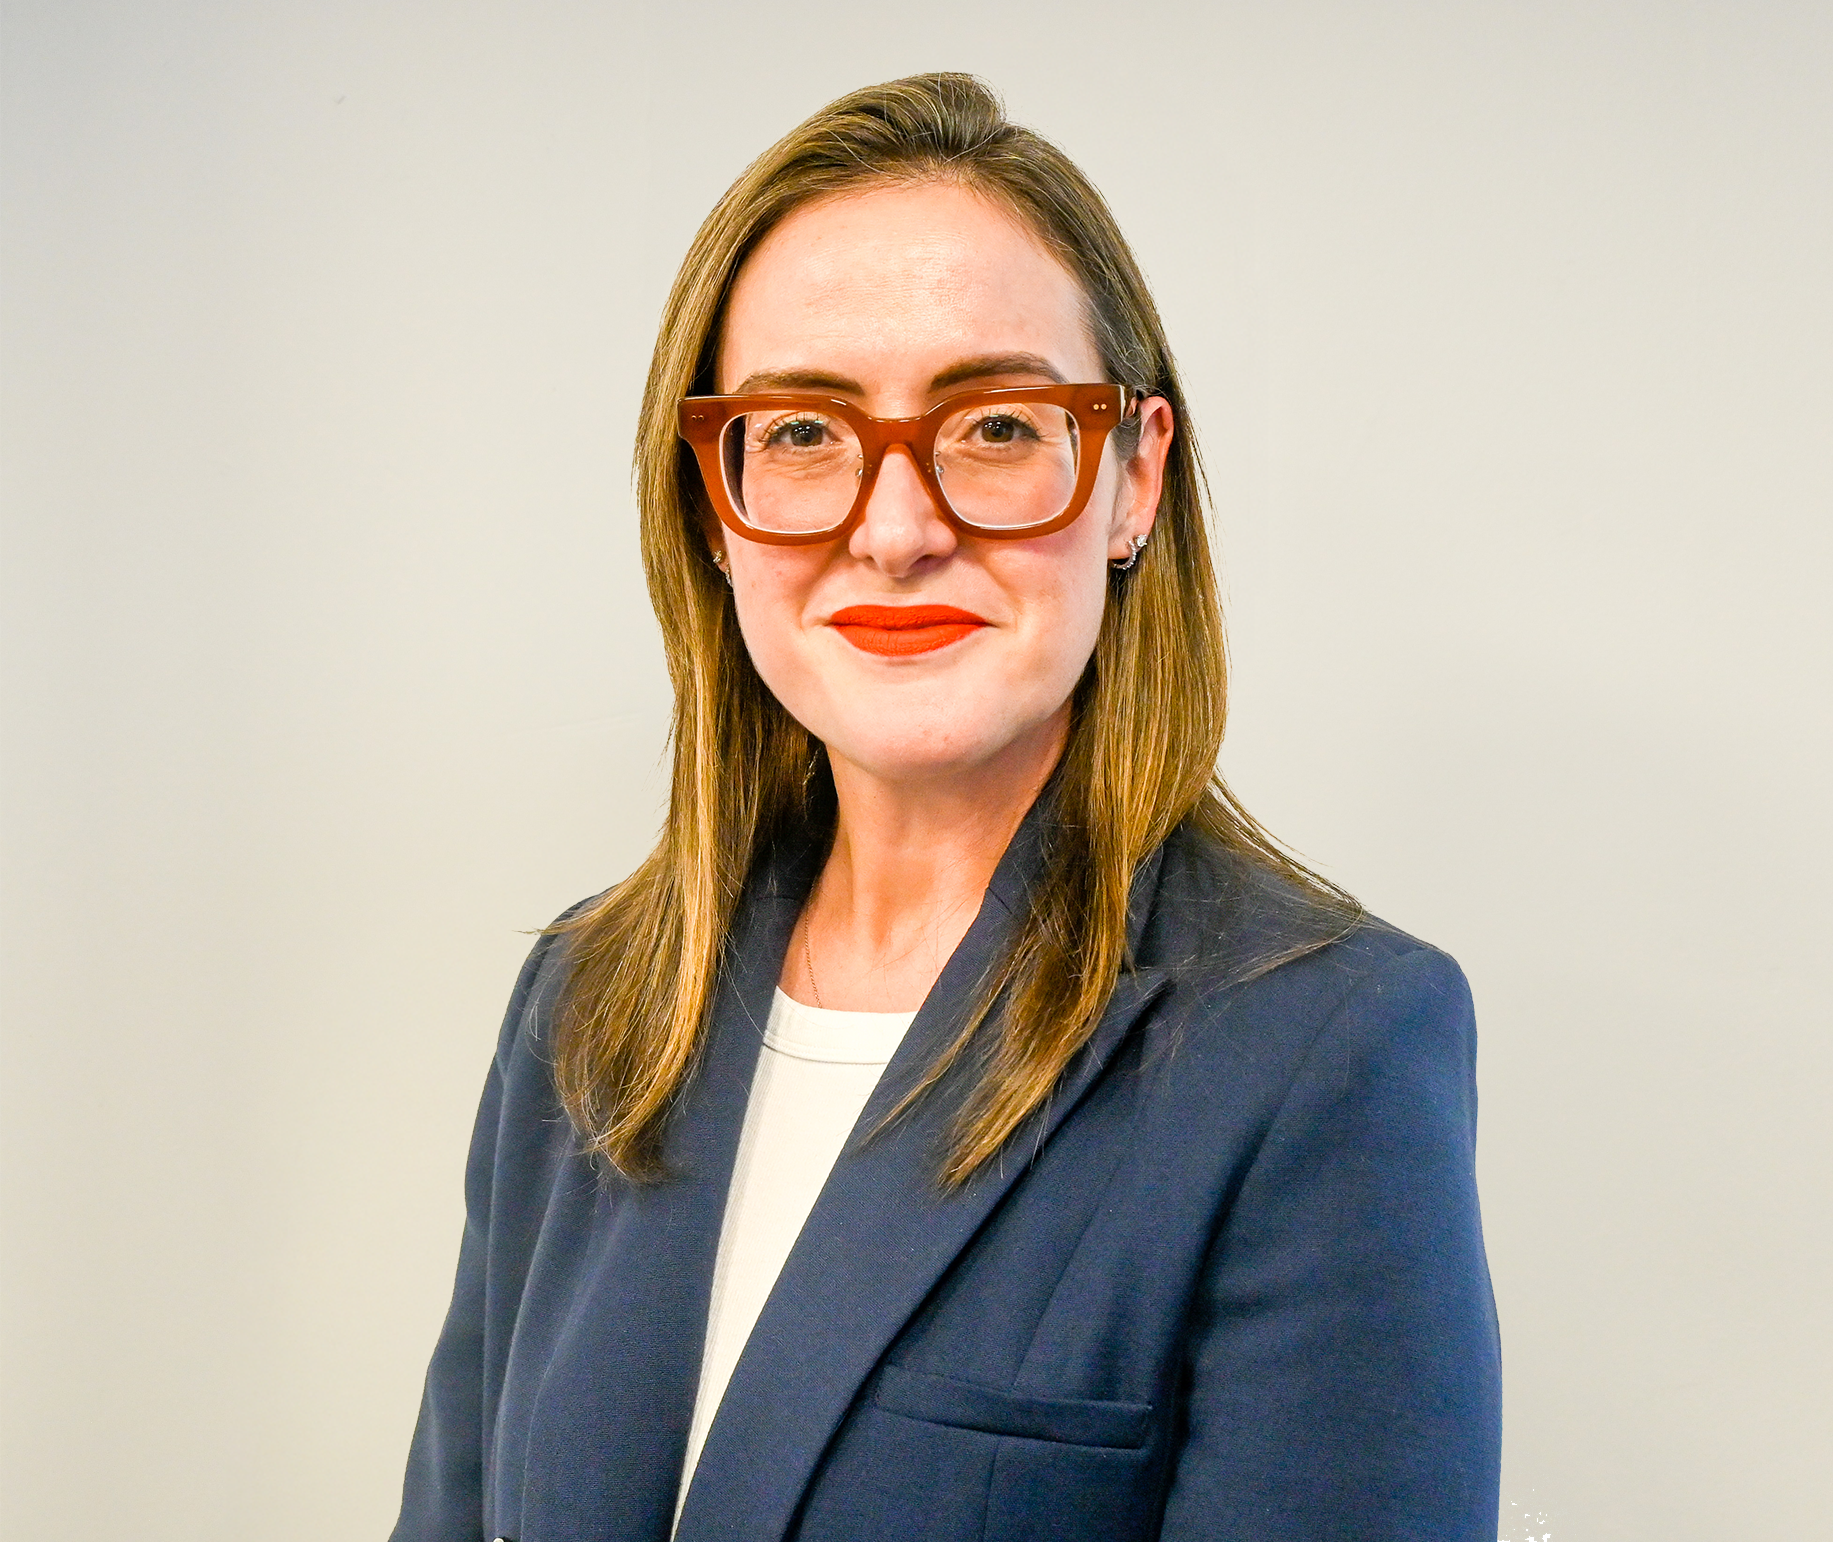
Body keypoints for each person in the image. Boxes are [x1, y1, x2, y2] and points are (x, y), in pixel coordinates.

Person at [391, 73, 1501, 1542]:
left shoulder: (1319, 1056)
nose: (898, 527)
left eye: (994, 426)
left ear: (1131, 479)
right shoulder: (589, 1009)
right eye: (801, 432)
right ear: (714, 505)